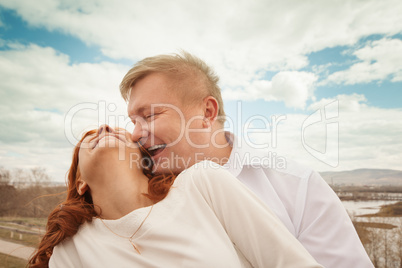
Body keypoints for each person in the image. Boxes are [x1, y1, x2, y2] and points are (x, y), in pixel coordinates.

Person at [119, 51, 374, 268]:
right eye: (133, 121)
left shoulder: (296, 186)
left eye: (150, 116)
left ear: (207, 112)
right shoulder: (134, 198)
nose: (136, 134)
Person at [29, 125, 322, 268]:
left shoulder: (202, 183)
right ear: (80, 182)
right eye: (88, 136)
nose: (105, 128)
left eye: (116, 128)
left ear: (144, 161)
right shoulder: (70, 252)